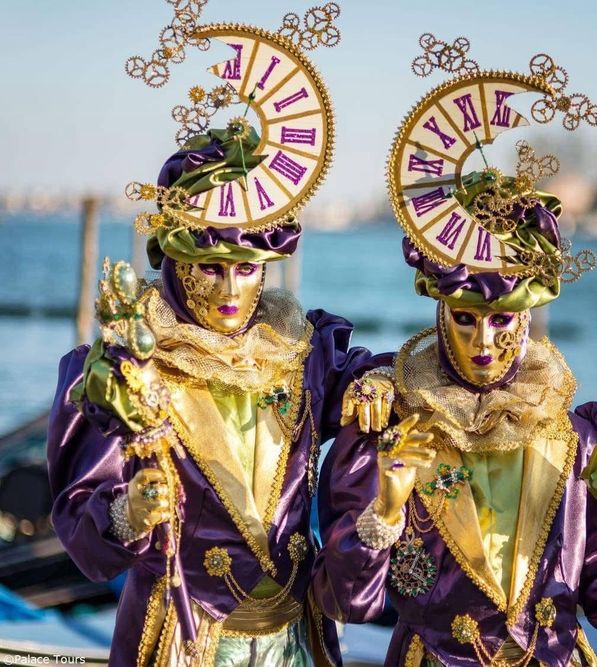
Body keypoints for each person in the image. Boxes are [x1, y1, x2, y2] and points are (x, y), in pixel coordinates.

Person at [48, 37, 392, 666]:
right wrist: (131, 511)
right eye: (210, 268)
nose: (231, 290)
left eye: (247, 268)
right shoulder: (124, 367)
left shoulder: (302, 352)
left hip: (295, 638)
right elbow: (79, 524)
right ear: (173, 259)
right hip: (182, 637)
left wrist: (376, 385)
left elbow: (367, 383)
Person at [313, 158, 597, 665]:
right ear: (441, 314)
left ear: (524, 320)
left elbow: (595, 569)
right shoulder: (395, 428)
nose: (483, 342)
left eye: (501, 320)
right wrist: (388, 510)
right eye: (466, 318)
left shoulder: (573, 435)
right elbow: (349, 599)